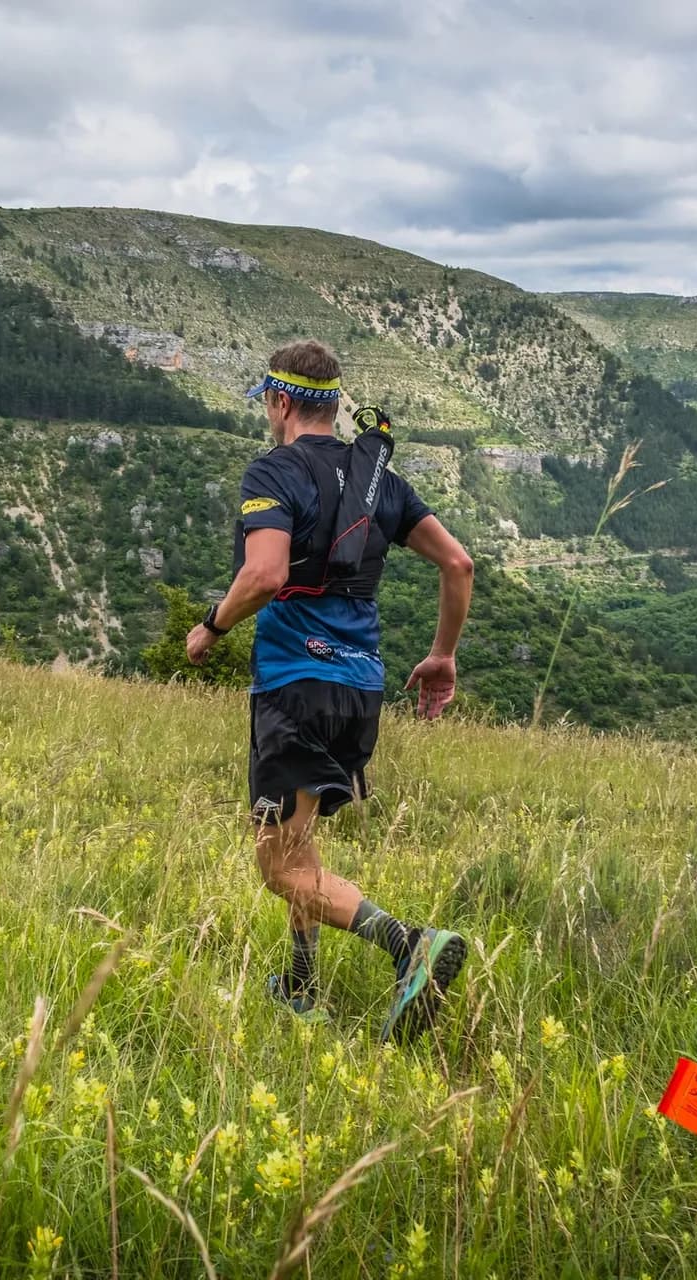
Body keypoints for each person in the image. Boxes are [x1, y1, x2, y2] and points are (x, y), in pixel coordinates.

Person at [186, 339, 475, 1041]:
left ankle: (410, 944)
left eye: (267, 404)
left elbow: (264, 575)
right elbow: (459, 564)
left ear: (279, 403)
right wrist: (441, 656)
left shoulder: (274, 470)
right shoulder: (379, 481)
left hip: (295, 685)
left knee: (279, 866)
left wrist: (210, 628)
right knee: (300, 843)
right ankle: (300, 983)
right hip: (360, 689)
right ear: (334, 403)